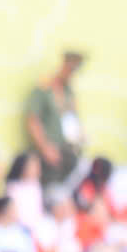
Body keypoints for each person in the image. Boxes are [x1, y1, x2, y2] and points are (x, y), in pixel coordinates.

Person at [24, 50, 86, 187]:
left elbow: (71, 119)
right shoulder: (44, 88)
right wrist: (45, 147)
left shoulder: (68, 92)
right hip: (48, 152)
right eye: (71, 69)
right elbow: (33, 120)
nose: (72, 74)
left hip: (67, 151)